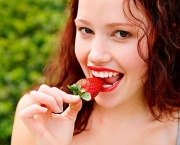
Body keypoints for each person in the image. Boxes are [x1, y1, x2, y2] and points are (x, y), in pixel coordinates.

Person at [11, 0, 180, 144]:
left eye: (122, 33)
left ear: (165, 37)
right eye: (86, 30)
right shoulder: (37, 117)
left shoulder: (175, 130)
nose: (95, 55)